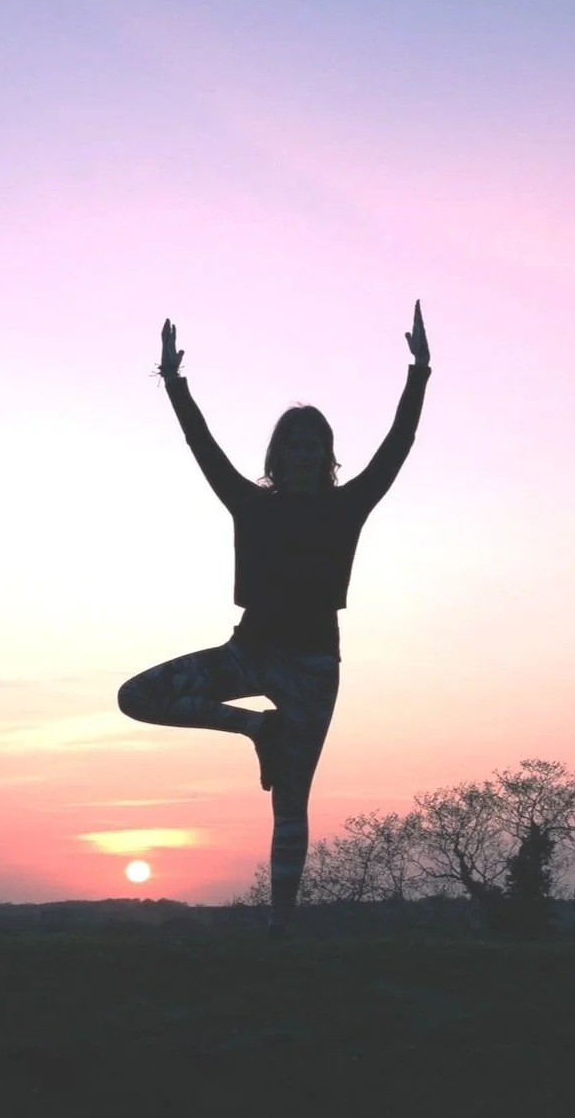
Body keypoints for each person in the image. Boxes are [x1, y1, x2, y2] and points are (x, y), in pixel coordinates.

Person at [117, 303, 431, 937]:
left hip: (312, 667)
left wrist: (419, 372)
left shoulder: (349, 506)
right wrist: (174, 383)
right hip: (249, 653)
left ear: (326, 453)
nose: (305, 454)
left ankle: (281, 927)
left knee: (291, 802)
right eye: (295, 445)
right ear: (280, 453)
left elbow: (398, 447)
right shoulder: (249, 504)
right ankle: (255, 729)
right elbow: (202, 447)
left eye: (314, 445)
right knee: (137, 696)